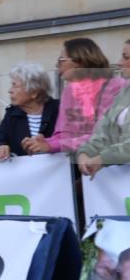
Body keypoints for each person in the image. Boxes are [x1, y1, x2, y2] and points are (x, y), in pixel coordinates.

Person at [24, 38, 125, 155]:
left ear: (78, 61)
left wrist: (51, 145)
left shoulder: (114, 87)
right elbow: (64, 134)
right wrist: (42, 142)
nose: (57, 65)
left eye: (61, 60)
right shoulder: (69, 91)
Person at [77, 38, 130, 178]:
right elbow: (102, 132)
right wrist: (85, 152)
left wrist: (102, 159)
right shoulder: (123, 94)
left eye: (126, 57)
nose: (120, 62)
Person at [0, 63, 59, 160]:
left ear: (34, 92)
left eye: (15, 85)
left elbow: (72, 140)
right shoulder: (12, 114)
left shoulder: (59, 109)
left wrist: (48, 144)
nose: (10, 90)